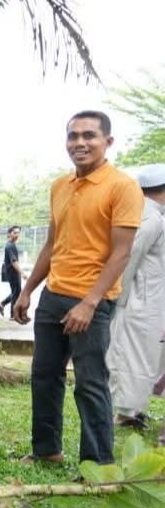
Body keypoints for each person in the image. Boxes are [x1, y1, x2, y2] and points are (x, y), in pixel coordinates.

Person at [13, 110, 142, 466]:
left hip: (93, 302)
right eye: (73, 136)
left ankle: (97, 464)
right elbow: (52, 246)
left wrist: (89, 302)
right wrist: (27, 290)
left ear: (107, 142)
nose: (80, 143)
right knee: (44, 375)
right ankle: (47, 451)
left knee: (90, 383)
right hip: (53, 296)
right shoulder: (60, 186)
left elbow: (121, 253)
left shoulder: (122, 186)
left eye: (89, 136)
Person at [106, 163, 165, 430]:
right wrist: (119, 301)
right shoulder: (149, 219)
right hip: (137, 303)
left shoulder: (155, 216)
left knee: (147, 358)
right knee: (132, 358)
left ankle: (134, 409)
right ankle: (124, 413)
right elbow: (128, 259)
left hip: (151, 302)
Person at [0, 225, 26, 319]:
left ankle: (2, 304)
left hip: (12, 272)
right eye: (15, 233)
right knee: (16, 292)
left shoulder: (11, 244)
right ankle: (13, 315)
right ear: (9, 234)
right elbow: (13, 262)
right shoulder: (10, 246)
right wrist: (22, 273)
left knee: (16, 291)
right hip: (13, 272)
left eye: (18, 233)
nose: (17, 235)